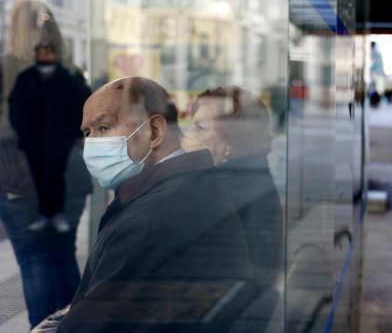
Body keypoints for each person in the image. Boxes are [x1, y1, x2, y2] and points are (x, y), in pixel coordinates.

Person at [52, 77, 252, 332]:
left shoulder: (149, 218)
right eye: (87, 133)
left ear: (154, 131)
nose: (91, 144)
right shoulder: (192, 185)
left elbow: (93, 325)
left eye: (103, 128)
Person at [0, 0, 92, 328]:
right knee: (63, 257)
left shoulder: (6, 69)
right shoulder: (70, 69)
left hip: (20, 183)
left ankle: (43, 329)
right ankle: (74, 328)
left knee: (35, 262)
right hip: (70, 179)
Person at [186, 86, 283, 326]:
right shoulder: (248, 176)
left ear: (233, 138)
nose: (187, 135)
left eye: (200, 127)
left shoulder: (221, 191)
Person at [10, 41, 91, 233]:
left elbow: (82, 103)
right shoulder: (26, 78)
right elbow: (15, 108)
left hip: (60, 139)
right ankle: (45, 213)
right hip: (33, 140)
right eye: (42, 52)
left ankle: (56, 213)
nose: (45, 56)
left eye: (49, 52)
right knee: (39, 176)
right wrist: (21, 132)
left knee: (56, 175)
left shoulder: (68, 78)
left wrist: (75, 132)